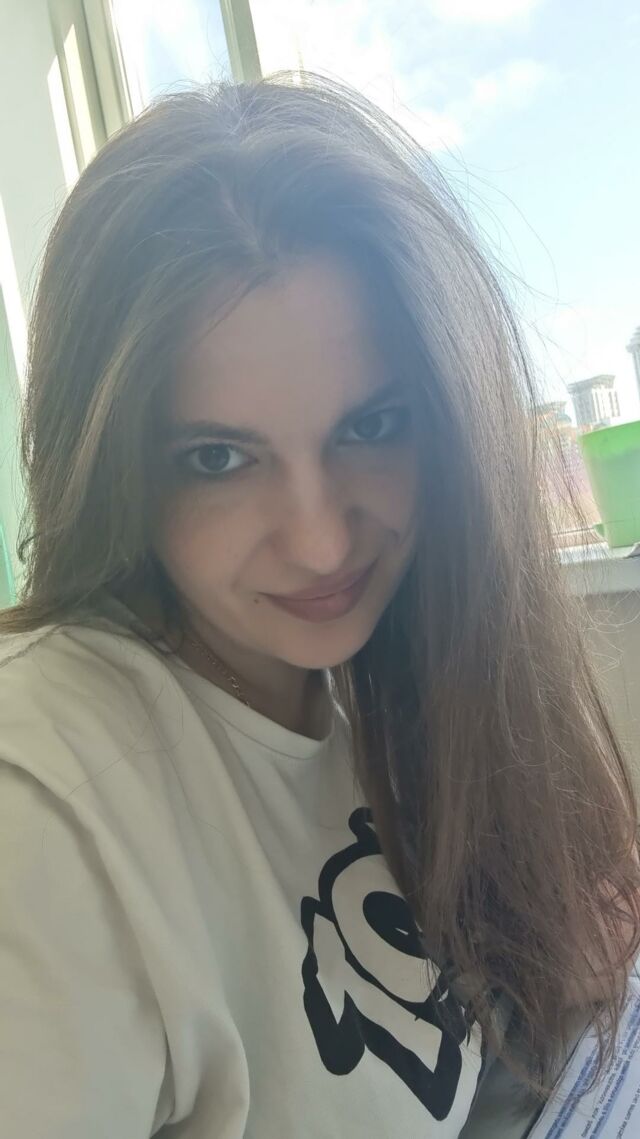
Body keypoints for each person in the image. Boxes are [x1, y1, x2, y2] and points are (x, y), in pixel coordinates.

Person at [0, 71, 638, 1139]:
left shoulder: (356, 690)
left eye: (371, 426)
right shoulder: (44, 796)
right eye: (218, 457)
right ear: (114, 470)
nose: (322, 541)